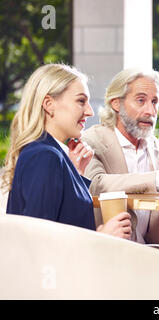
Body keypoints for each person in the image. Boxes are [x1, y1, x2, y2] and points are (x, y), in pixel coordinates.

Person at [82, 68, 159, 245]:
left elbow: (150, 211)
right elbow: (96, 184)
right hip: (113, 253)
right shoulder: (91, 140)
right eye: (141, 100)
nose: (151, 111)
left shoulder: (153, 145)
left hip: (152, 250)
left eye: (155, 101)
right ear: (116, 103)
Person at [4, 64, 132, 240]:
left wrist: (76, 172)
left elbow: (64, 220)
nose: (90, 111)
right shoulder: (44, 156)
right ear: (49, 104)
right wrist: (101, 237)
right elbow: (38, 241)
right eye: (81, 101)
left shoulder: (52, 155)